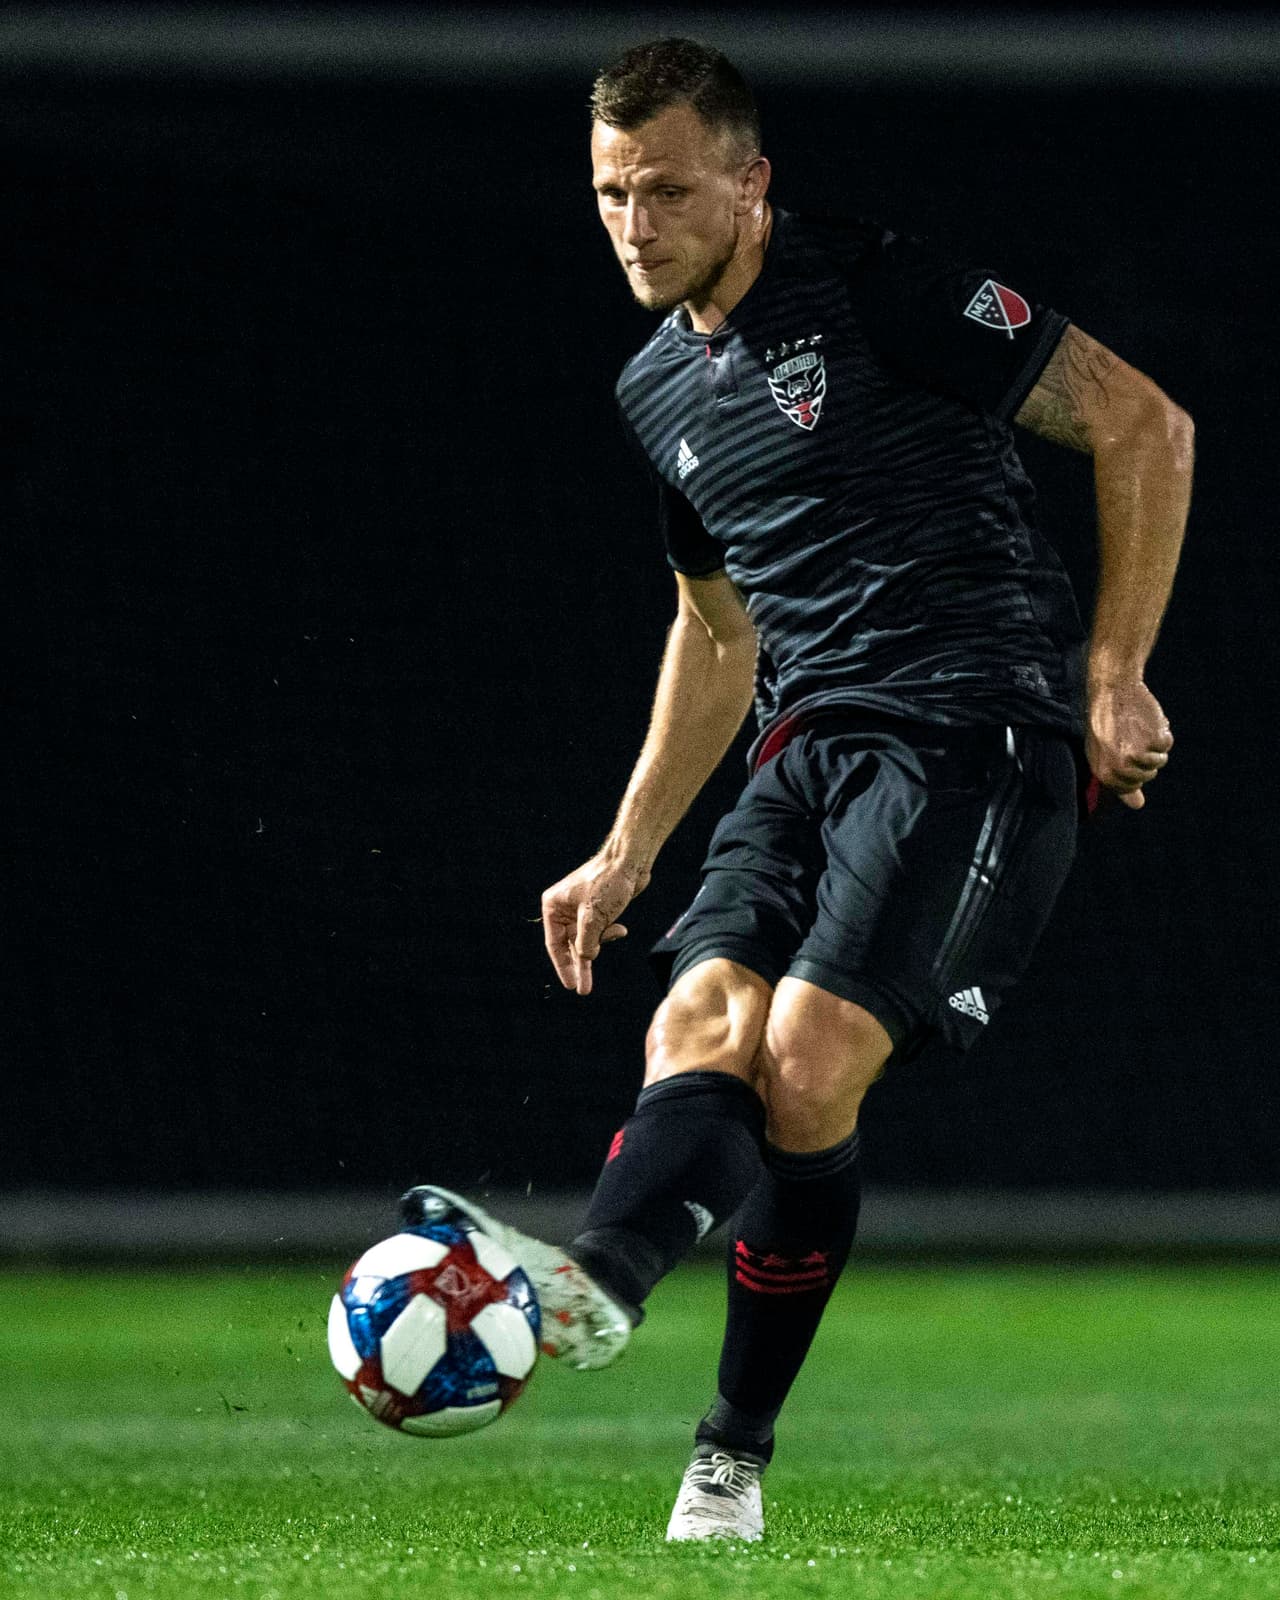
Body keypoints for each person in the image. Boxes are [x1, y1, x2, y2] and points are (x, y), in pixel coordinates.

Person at [402, 36, 1193, 1542]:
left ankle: (729, 1449)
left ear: (754, 185)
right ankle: (599, 1290)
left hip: (974, 732)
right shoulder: (655, 389)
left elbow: (1146, 423)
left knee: (809, 1060)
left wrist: (1114, 669)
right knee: (695, 1028)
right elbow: (717, 630)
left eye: (670, 190)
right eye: (611, 194)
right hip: (806, 743)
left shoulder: (878, 286)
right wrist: (627, 847)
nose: (637, 224)